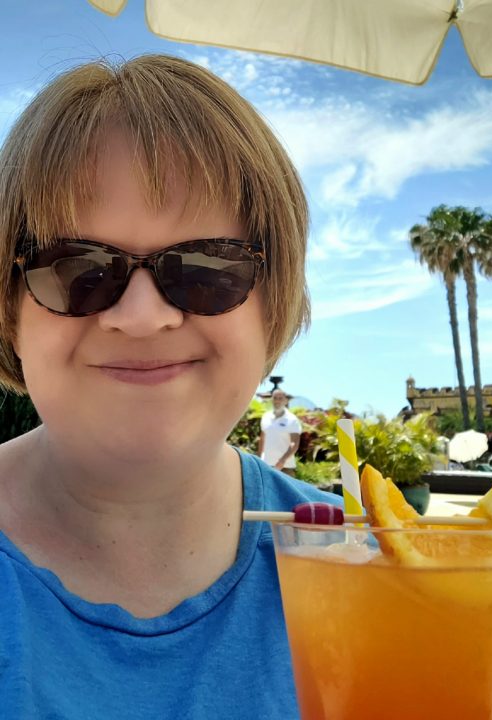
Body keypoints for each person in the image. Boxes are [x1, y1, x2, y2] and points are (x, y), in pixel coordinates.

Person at [0, 55, 342, 719]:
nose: (141, 316)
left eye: (207, 267)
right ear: (10, 308)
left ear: (272, 301)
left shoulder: (378, 566)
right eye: (76, 269)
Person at [259, 389, 302, 476]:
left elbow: (294, 443)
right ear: (272, 400)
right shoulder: (266, 417)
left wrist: (282, 460)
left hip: (285, 467)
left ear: (285, 401)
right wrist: (259, 459)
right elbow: (262, 439)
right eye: (275, 398)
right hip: (267, 465)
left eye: (280, 398)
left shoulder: (292, 419)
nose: (277, 401)